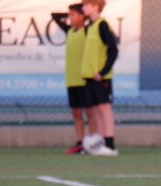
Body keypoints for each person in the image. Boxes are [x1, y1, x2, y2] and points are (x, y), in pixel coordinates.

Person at [51, 4, 96, 154]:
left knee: (89, 111)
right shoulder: (70, 31)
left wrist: (83, 14)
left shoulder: (88, 31)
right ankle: (80, 143)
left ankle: (93, 142)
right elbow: (55, 16)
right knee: (76, 112)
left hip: (84, 78)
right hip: (71, 78)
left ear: (82, 16)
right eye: (69, 15)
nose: (70, 18)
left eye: (73, 15)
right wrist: (69, 13)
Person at [80, 0, 119, 156]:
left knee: (104, 108)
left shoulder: (102, 25)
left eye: (86, 4)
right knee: (95, 109)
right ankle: (99, 143)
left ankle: (110, 144)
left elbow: (113, 49)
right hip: (90, 76)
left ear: (95, 6)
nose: (83, 8)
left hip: (100, 76)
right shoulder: (90, 26)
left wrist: (103, 71)